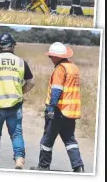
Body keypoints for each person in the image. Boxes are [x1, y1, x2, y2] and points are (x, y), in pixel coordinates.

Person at [0, 33, 35, 169]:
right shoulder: (21, 62)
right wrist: (21, 91)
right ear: (13, 46)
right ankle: (19, 159)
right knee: (16, 134)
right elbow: (31, 82)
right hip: (15, 105)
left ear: (0, 46)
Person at [30, 42, 84, 173]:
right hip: (71, 111)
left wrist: (51, 109)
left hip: (59, 110)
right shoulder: (73, 68)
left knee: (47, 140)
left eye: (51, 56)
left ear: (57, 56)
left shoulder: (60, 68)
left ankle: (43, 166)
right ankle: (78, 167)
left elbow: (56, 90)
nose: (50, 59)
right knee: (70, 140)